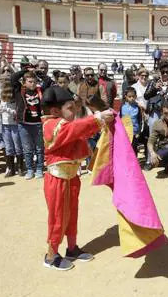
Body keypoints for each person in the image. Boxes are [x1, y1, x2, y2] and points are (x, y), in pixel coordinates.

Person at [40, 85, 114, 270]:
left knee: (71, 214)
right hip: (57, 179)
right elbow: (73, 130)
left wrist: (101, 123)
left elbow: (79, 131)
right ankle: (51, 255)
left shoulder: (65, 124)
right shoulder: (51, 124)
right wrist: (97, 119)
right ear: (56, 110)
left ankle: (72, 248)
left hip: (71, 176)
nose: (74, 112)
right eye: (70, 108)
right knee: (58, 217)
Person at [12, 72, 45, 180]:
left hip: (38, 123)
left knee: (39, 148)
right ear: (24, 83)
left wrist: (39, 73)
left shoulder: (40, 90)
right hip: (24, 124)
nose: (33, 84)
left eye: (35, 81)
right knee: (27, 149)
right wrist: (24, 70)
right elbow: (13, 78)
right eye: (30, 82)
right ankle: (30, 169)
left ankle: (39, 168)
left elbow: (48, 81)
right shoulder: (19, 91)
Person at [0, 81, 22, 177]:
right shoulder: (3, 100)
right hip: (5, 125)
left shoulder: (16, 100)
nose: (7, 99)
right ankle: (10, 168)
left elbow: (17, 112)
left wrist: (9, 110)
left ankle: (20, 167)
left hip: (15, 124)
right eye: (5, 97)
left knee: (17, 146)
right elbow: (0, 110)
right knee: (8, 147)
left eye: (9, 97)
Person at [120, 87, 143, 154]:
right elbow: (120, 118)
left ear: (135, 96)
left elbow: (140, 120)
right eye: (129, 96)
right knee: (125, 149)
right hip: (125, 132)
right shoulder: (122, 107)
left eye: (133, 96)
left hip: (134, 132)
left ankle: (134, 163)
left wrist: (138, 132)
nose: (132, 98)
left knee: (133, 149)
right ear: (126, 97)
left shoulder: (137, 107)